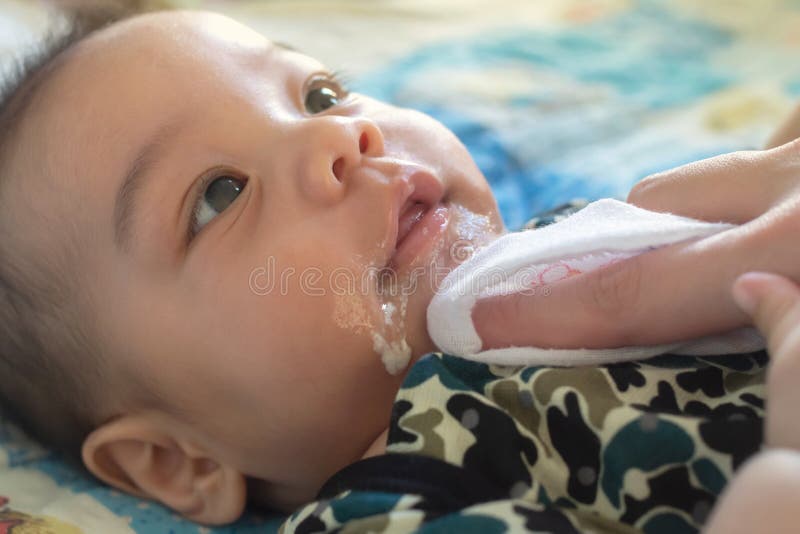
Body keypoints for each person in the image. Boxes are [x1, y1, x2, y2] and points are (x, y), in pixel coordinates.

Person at [0, 7, 796, 531]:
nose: (341, 138)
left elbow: (758, 217)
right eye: (220, 195)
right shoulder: (399, 501)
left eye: (318, 94)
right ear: (179, 460)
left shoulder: (573, 239)